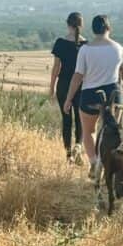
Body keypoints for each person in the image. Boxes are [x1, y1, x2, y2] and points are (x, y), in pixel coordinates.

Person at [63, 14, 123, 177]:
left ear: (93, 30)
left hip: (90, 95)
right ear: (109, 28)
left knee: (88, 132)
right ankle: (111, 164)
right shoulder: (119, 49)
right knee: (111, 132)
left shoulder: (85, 50)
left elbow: (78, 76)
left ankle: (94, 162)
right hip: (113, 95)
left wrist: (68, 99)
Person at [49, 12, 86, 161]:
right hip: (81, 86)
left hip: (64, 85)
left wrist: (51, 87)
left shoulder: (60, 43)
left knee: (66, 120)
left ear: (68, 24)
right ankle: (78, 146)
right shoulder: (86, 45)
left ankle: (68, 154)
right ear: (81, 25)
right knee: (80, 120)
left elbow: (56, 68)